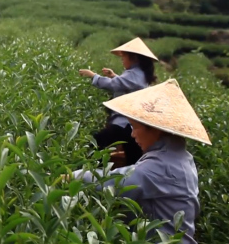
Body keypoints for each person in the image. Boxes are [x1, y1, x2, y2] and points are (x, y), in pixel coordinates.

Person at [68, 78, 211, 243]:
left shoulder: (161, 166)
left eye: (135, 128)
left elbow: (114, 182)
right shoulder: (180, 156)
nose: (132, 134)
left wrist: (73, 177)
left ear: (156, 130)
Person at [79, 37, 158, 166]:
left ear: (134, 58)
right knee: (134, 155)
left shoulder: (134, 74)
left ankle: (92, 172)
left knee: (96, 144)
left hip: (125, 123)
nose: (122, 60)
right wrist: (114, 76)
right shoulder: (138, 73)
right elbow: (126, 85)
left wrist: (93, 76)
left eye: (124, 57)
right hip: (131, 123)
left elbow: (115, 85)